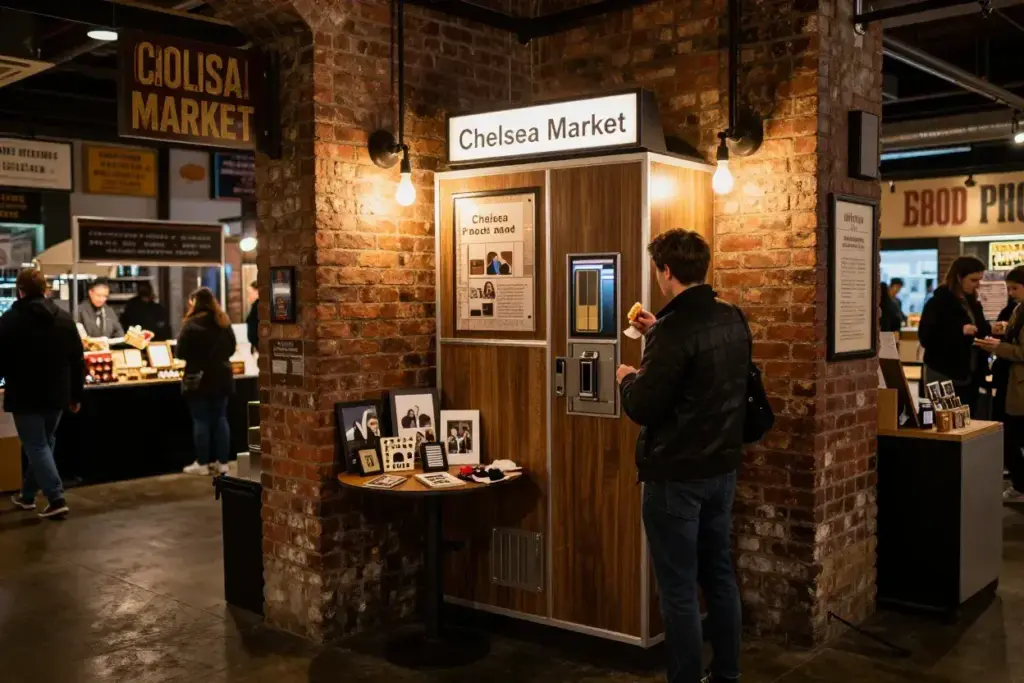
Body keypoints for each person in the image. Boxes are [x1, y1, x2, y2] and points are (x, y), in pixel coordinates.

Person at [615, 229, 748, 683]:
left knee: (678, 591)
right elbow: (706, 377)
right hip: (722, 468)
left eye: (658, 270)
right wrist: (657, 335)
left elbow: (644, 406)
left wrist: (627, 378)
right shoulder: (731, 318)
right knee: (719, 578)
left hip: (676, 476)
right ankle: (727, 674)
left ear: (667, 270)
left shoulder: (674, 331)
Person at [0, 269, 84, 519]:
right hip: (57, 394)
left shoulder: (10, 320)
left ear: (20, 290)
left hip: (25, 394)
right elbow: (77, 360)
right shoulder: (64, 318)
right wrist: (76, 395)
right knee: (44, 444)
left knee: (36, 445)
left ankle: (56, 498)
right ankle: (27, 496)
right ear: (46, 289)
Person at [976, 266, 1024, 499]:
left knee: (1010, 435)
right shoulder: (1017, 310)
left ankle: (1021, 484)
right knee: (1007, 433)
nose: (1011, 293)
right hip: (1008, 382)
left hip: (1018, 384)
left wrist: (999, 347)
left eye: (1015, 288)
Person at [918, 256, 990, 411]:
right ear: (959, 277)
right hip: (944, 372)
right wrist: (960, 331)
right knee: (945, 422)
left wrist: (990, 330)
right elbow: (926, 337)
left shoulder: (973, 302)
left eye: (979, 280)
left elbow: (979, 329)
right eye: (973, 280)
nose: (978, 285)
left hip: (969, 373)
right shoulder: (938, 303)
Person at [178, 288, 237, 476]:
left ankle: (203, 463)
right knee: (220, 418)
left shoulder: (190, 324)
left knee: (201, 420)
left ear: (194, 302)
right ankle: (223, 463)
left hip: (199, 379)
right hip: (222, 377)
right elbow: (231, 348)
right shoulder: (223, 321)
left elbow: (180, 353)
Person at [246, 280, 259, 353]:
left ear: (257, 292)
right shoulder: (255, 306)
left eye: (249, 293)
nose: (248, 297)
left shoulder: (259, 308)